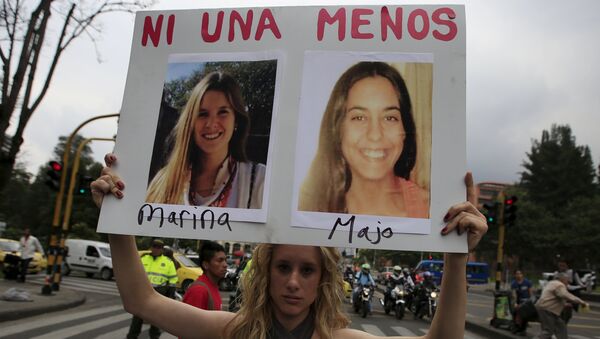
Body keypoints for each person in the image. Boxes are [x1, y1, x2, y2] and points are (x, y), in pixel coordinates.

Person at [91, 153, 487, 338]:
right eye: (284, 267)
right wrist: (118, 220)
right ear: (266, 272)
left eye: (307, 269)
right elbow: (141, 301)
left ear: (323, 279)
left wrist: (457, 260)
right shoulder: (234, 332)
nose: (294, 281)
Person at [299, 61, 429, 217]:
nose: (375, 135)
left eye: (389, 118)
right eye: (359, 117)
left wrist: (464, 240)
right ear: (338, 128)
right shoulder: (307, 211)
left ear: (404, 129)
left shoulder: (432, 211)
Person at [146, 71, 265, 209]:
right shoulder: (162, 182)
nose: (211, 123)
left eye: (222, 112)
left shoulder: (259, 180)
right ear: (190, 122)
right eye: (202, 114)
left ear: (236, 120)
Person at [127, 239, 178, 339]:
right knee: (136, 321)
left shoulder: (168, 262)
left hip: (158, 294)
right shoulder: (143, 259)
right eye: (154, 246)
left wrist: (171, 295)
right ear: (151, 247)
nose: (156, 249)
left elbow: (173, 280)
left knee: (156, 322)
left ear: (162, 249)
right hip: (142, 294)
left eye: (159, 247)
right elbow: (135, 274)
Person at [535, 272, 590, 339]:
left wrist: (564, 304)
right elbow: (565, 295)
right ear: (562, 279)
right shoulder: (559, 285)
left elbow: (553, 297)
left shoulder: (551, 283)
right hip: (548, 310)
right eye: (567, 280)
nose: (568, 282)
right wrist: (581, 302)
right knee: (548, 331)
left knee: (561, 326)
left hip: (546, 308)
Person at [183, 241, 228, 311]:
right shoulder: (199, 290)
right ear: (205, 265)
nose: (225, 265)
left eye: (225, 260)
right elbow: (190, 321)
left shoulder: (212, 286)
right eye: (220, 260)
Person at [510, 269, 533, 335]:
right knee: (515, 311)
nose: (518, 275)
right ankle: (516, 326)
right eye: (517, 274)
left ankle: (522, 329)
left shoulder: (527, 282)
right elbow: (514, 295)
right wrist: (515, 303)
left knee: (524, 313)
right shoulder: (514, 283)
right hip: (519, 301)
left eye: (520, 274)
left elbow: (530, 293)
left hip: (527, 301)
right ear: (515, 275)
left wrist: (530, 301)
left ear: (522, 275)